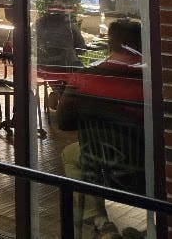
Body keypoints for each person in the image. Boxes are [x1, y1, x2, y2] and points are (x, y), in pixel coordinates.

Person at [57, 19, 145, 236]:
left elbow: (64, 122)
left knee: (70, 154)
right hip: (143, 171)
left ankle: (99, 219)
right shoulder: (152, 81)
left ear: (109, 44)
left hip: (99, 165)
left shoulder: (85, 78)